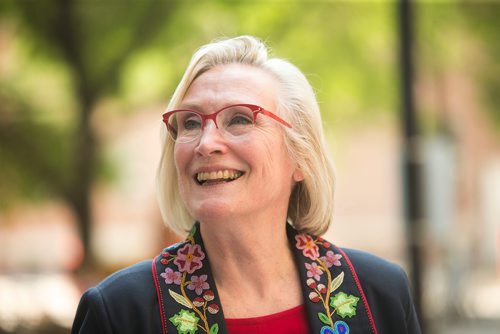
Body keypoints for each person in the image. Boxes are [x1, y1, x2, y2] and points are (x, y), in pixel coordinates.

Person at [72, 35, 421, 334]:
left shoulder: (380, 294)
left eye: (239, 119)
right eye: (191, 123)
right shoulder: (119, 312)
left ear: (300, 156)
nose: (206, 143)